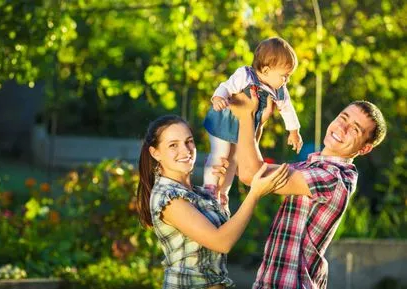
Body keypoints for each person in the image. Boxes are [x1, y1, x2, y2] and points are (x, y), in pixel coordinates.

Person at [229, 91, 387, 289]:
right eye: (343, 118)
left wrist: (246, 117)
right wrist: (257, 120)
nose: (342, 128)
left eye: (355, 129)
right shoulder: (312, 167)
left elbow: (252, 172)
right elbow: (249, 172)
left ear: (364, 149)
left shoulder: (333, 178)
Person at [136, 114, 290, 289]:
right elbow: (221, 242)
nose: (186, 150)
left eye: (189, 141)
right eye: (173, 145)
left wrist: (254, 117)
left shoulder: (199, 194)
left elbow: (236, 153)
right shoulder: (168, 197)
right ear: (155, 153)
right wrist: (254, 194)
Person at [203, 37, 303, 212]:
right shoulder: (245, 75)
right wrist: (219, 97)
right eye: (284, 76)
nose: (286, 80)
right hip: (225, 120)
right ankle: (209, 187)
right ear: (265, 69)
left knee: (234, 159)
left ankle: (223, 192)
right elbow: (226, 86)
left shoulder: (279, 90)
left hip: (242, 129)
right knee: (221, 153)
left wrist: (294, 131)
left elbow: (288, 109)